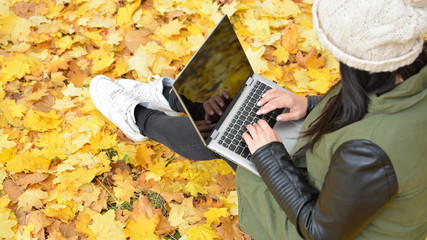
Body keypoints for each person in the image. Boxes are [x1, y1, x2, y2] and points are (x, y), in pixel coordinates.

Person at [89, 0, 427, 238]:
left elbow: (319, 230)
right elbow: (375, 109)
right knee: (251, 112)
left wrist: (270, 156)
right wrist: (308, 104)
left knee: (229, 139)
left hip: (327, 224)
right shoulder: (403, 73)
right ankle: (175, 96)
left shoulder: (368, 153)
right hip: (350, 187)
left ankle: (139, 119)